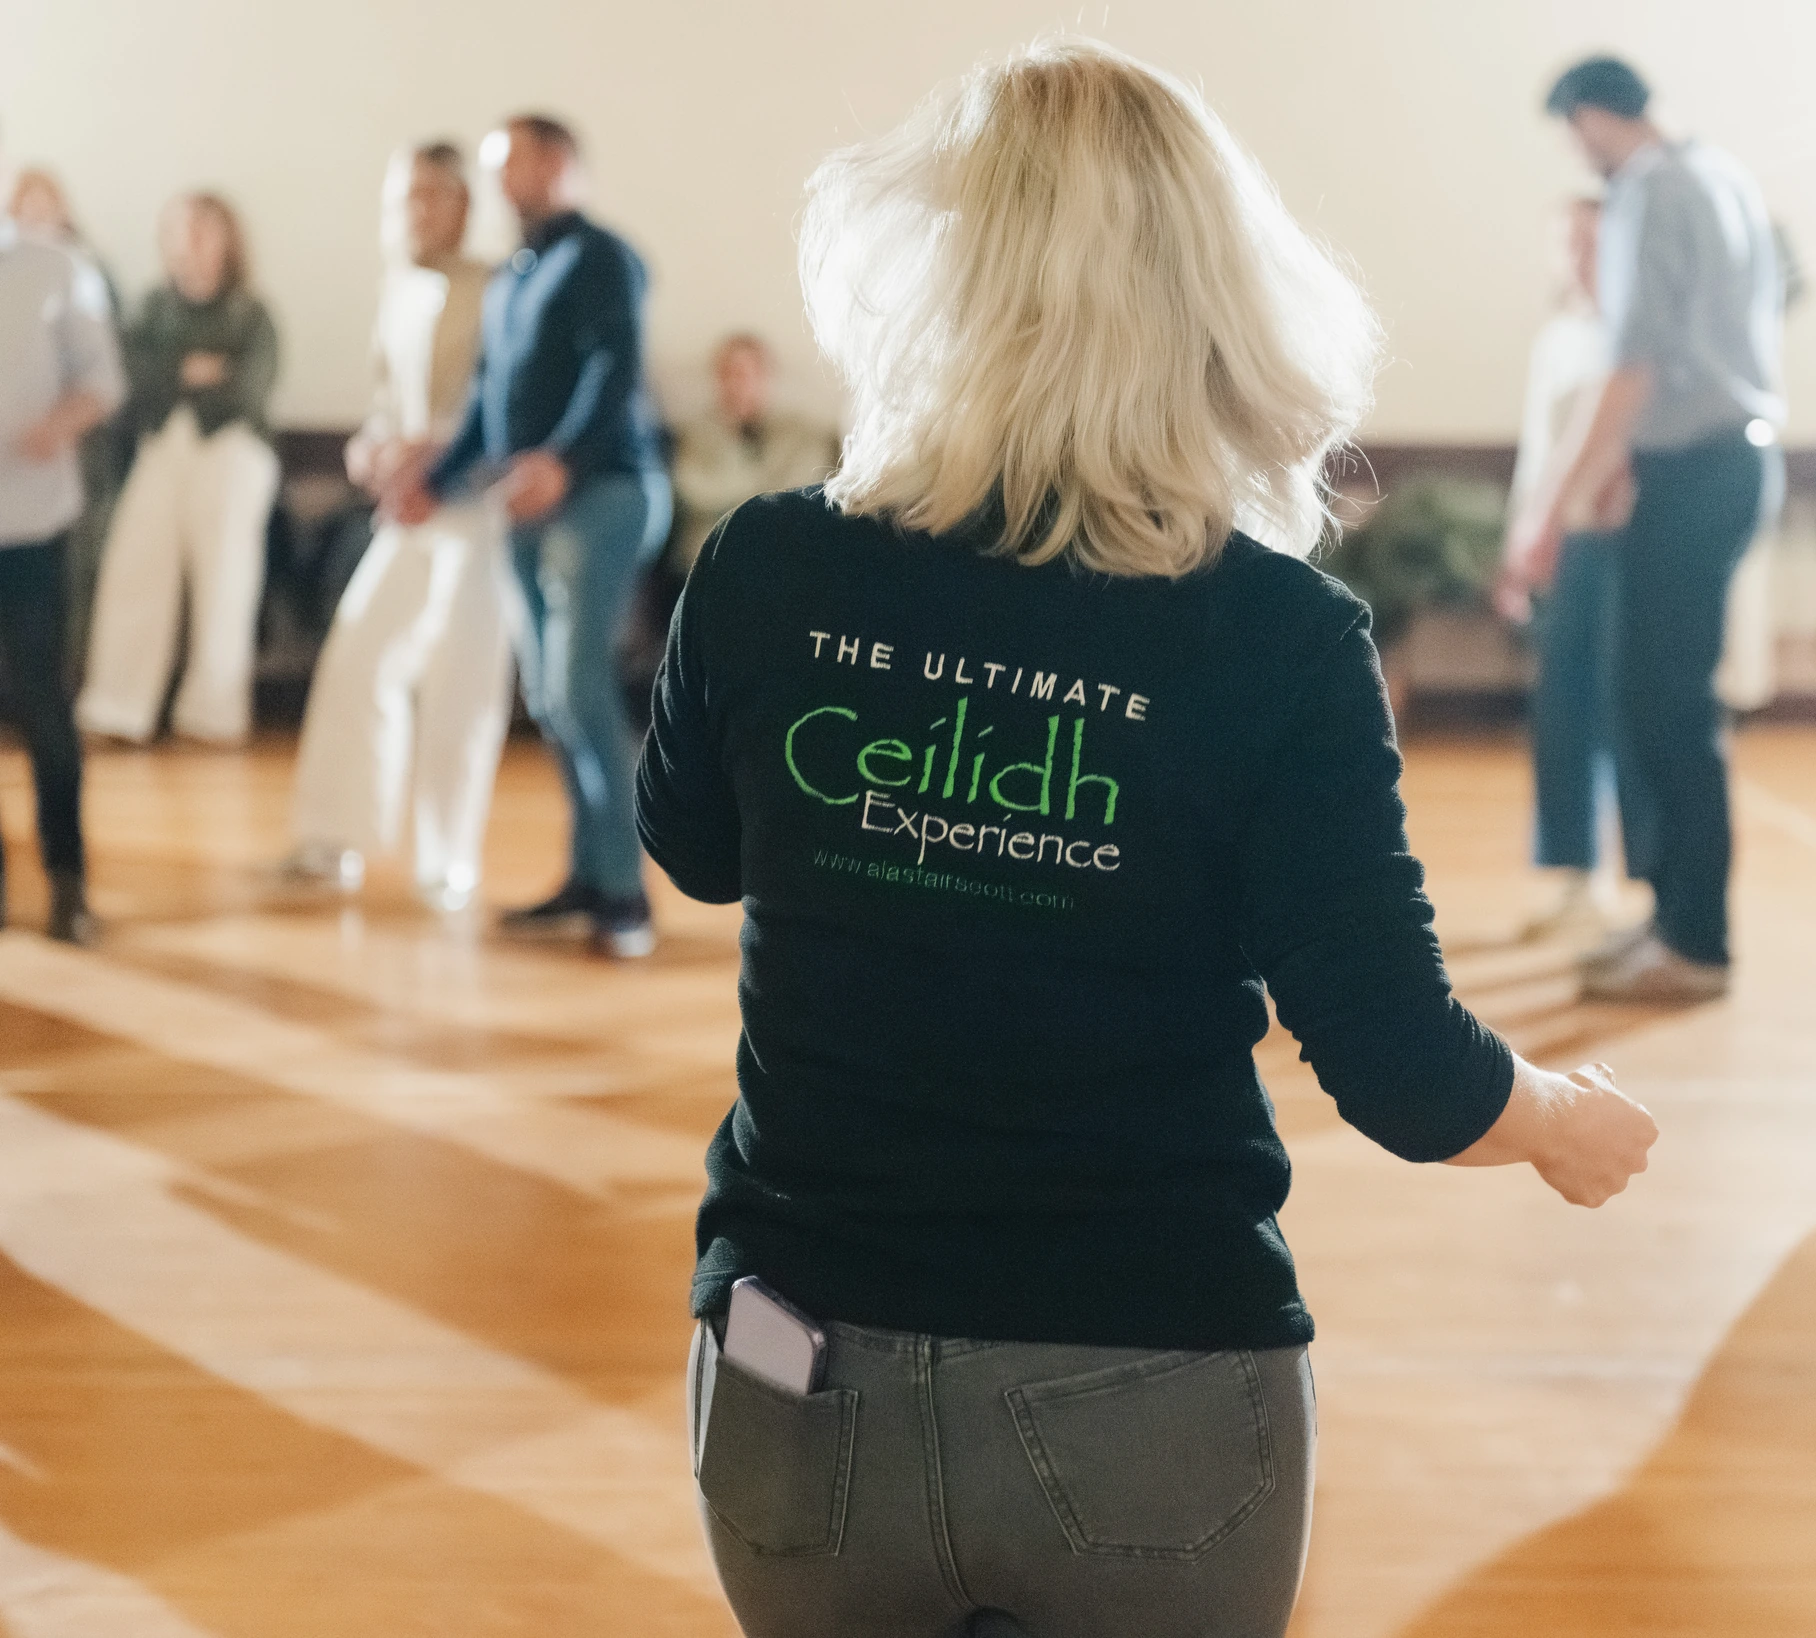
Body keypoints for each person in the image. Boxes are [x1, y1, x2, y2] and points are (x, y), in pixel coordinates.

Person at [637, 41, 1658, 1638]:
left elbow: (697, 851)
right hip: (1150, 1382)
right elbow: (1402, 1071)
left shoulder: (768, 564)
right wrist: (1559, 1121)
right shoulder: (1278, 637)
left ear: (930, 276)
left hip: (797, 1364)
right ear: (1217, 304)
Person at [1506, 56, 1784, 1003]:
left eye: (1573, 133)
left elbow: (1634, 368)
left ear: (1589, 116)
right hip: (1726, 460)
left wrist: (1548, 512)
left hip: (1693, 466)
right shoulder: (1722, 174)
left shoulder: (1648, 192)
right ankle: (1670, 920)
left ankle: (1695, 942)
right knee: (1655, 701)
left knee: (1667, 710)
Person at [390, 113, 670, 958]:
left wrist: (563, 462)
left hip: (602, 492)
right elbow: (488, 399)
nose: (496, 182)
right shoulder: (513, 275)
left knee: (581, 688)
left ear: (556, 164)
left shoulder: (602, 257)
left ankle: (626, 895)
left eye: (507, 163)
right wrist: (431, 482)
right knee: (550, 696)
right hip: (522, 503)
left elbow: (614, 368)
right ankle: (587, 875)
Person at [278, 142, 508, 910]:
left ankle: (449, 860)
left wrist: (436, 461)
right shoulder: (399, 286)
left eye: (427, 194)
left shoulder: (499, 287)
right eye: (402, 195)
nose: (411, 211)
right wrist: (370, 451)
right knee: (359, 651)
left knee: (462, 678)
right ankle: (334, 837)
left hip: (476, 505)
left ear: (462, 203)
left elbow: (502, 405)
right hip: (406, 506)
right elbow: (384, 400)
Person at [76, 192, 280, 745]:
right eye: (180, 229)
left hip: (231, 452)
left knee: (225, 580)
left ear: (227, 239)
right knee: (134, 571)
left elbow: (249, 388)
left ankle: (213, 715)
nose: (190, 241)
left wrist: (181, 376)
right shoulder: (150, 310)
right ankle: (116, 709)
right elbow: (132, 381)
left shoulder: (251, 313)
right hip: (163, 447)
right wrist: (191, 372)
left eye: (203, 228)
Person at [1498, 197, 1646, 942]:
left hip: (1622, 546)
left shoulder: (1637, 335)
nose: (1582, 258)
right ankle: (1576, 875)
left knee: (1624, 713)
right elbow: (1540, 450)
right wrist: (1521, 541)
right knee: (1562, 712)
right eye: (1571, 244)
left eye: (1595, 243)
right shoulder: (1558, 338)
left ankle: (1643, 888)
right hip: (1566, 546)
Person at [0, 146, 125, 941]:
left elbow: (103, 381)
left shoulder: (55, 269)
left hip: (33, 526)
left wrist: (56, 425)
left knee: (45, 709)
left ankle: (68, 884)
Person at [7, 167, 133, 688]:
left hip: (42, 498)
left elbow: (105, 378)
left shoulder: (71, 270)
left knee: (41, 666)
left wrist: (57, 426)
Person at [671, 334, 837, 574]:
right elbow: (696, 491)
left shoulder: (800, 434)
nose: (736, 384)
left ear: (766, 376)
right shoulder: (698, 434)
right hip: (714, 560)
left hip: (784, 556)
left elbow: (805, 493)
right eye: (727, 373)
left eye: (744, 374)